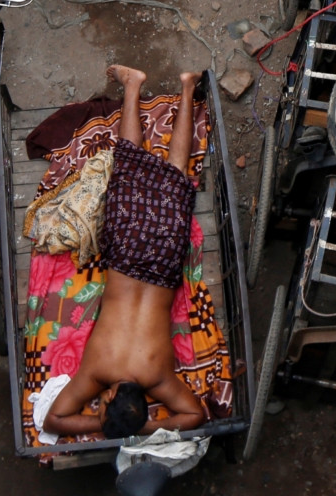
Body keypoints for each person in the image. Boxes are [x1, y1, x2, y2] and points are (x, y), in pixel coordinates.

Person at [42, 65, 209, 439]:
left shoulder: (158, 379)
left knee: (176, 173)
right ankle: (133, 85)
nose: (97, 403)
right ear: (112, 393)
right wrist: (116, 426)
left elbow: (191, 415)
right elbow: (55, 419)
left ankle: (187, 88)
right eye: (103, 405)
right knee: (129, 162)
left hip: (164, 259)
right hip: (127, 250)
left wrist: (140, 425)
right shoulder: (97, 372)